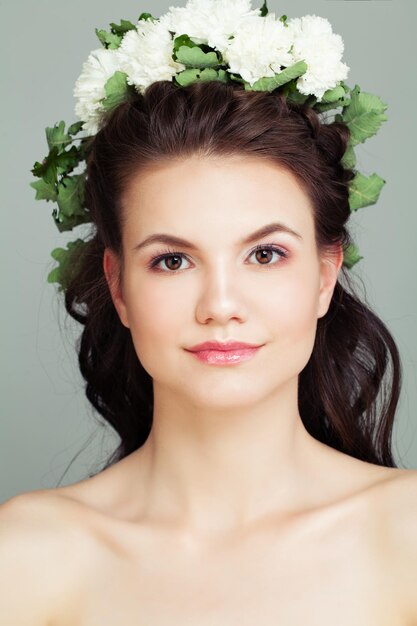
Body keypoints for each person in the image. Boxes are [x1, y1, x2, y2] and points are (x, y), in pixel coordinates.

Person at [2, 2, 417, 624]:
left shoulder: (406, 540)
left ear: (325, 277)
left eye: (266, 253)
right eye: (173, 261)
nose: (221, 305)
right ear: (117, 287)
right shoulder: (26, 555)